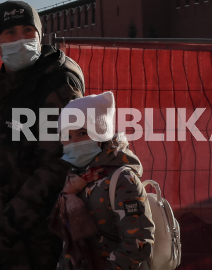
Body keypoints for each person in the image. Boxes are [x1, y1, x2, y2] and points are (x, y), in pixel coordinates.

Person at [0, 0, 86, 270]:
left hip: (29, 241)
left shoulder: (57, 82)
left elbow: (61, 161)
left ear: (40, 33)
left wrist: (9, 220)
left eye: (28, 30)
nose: (21, 38)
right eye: (10, 33)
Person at [49, 91, 155, 270]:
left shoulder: (122, 179)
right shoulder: (74, 181)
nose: (74, 141)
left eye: (82, 133)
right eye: (67, 136)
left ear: (100, 135)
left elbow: (138, 244)